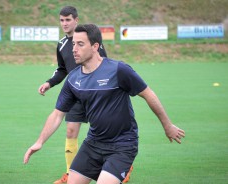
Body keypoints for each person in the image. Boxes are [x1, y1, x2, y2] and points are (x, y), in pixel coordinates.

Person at [24, 24, 185, 184]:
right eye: (73, 44)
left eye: (80, 44)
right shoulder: (73, 79)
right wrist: (39, 141)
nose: (74, 49)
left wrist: (167, 125)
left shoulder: (118, 70)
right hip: (93, 144)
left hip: (122, 145)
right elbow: (57, 114)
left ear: (95, 46)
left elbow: (148, 94)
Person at [36, 6, 134, 184]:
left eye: (68, 19)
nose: (64, 23)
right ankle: (69, 173)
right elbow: (62, 69)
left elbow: (102, 64)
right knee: (71, 130)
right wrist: (49, 83)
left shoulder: (90, 40)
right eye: (61, 20)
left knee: (104, 131)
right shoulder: (62, 44)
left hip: (96, 93)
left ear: (76, 20)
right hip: (75, 93)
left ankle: (120, 164)